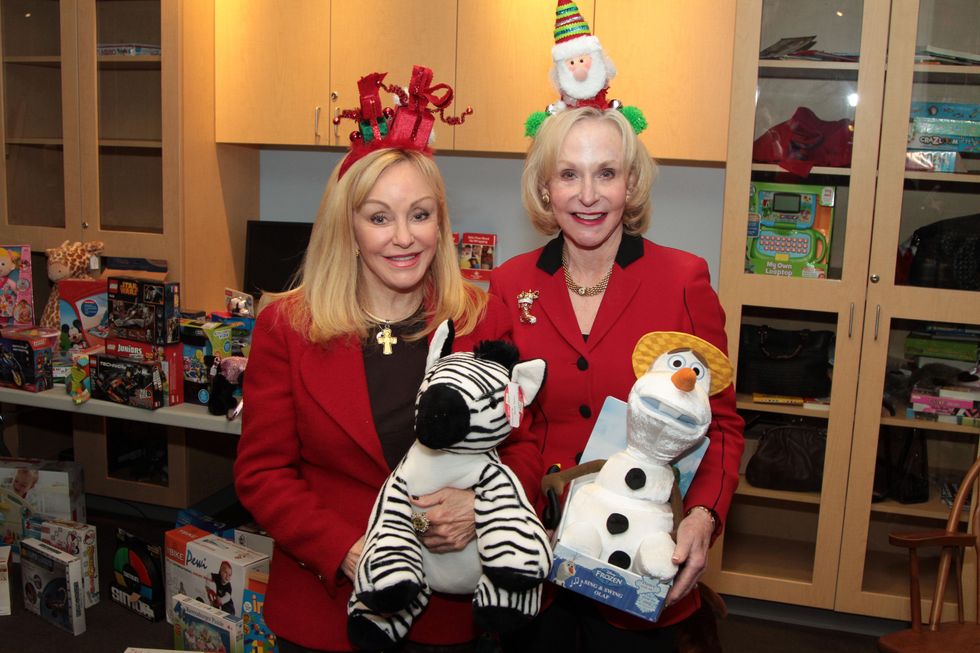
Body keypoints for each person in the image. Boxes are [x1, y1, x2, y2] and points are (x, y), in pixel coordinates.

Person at [234, 66, 541, 653]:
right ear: (348, 229)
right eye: (379, 217)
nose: (404, 237)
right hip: (330, 609)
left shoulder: (482, 319)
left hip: (453, 611)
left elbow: (525, 442)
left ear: (440, 223)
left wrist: (480, 507)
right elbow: (262, 474)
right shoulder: (288, 326)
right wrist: (355, 554)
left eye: (420, 215)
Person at [489, 106, 744, 650]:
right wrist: (527, 513)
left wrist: (702, 518)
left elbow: (720, 426)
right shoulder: (512, 285)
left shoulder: (681, 280)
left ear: (631, 184)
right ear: (544, 187)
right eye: (568, 174)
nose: (588, 194)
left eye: (606, 173)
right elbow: (507, 425)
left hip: (641, 571)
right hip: (541, 563)